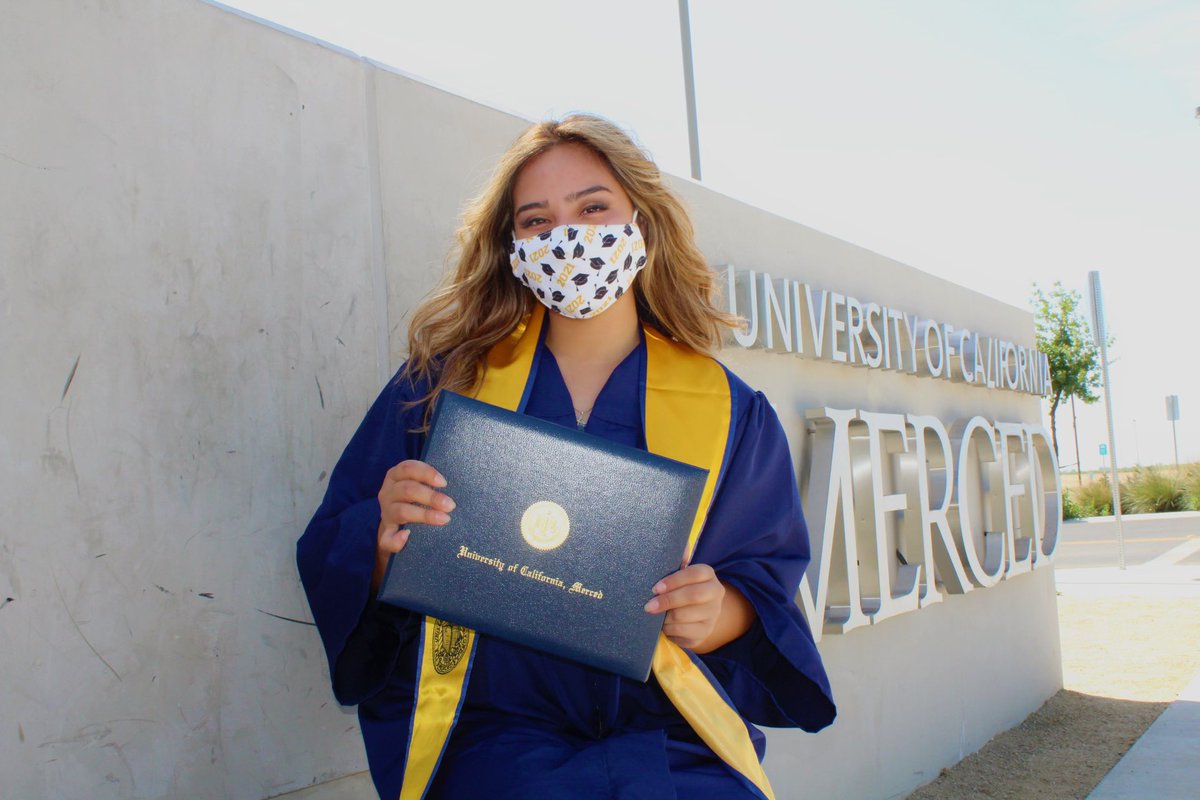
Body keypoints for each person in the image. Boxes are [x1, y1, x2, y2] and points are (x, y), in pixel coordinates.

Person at [297, 114, 835, 800]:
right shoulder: (440, 388)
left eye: (592, 208)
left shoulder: (730, 411)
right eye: (536, 220)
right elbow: (334, 540)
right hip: (489, 744)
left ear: (640, 222)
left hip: (672, 751)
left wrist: (722, 611)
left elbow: (767, 576)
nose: (567, 238)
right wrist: (379, 538)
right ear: (511, 245)